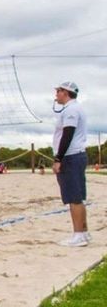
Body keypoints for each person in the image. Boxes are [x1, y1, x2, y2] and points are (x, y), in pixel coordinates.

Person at [52, 81, 90, 247]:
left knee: (74, 198)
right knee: (78, 198)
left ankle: (79, 235)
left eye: (58, 91)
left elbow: (68, 134)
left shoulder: (71, 110)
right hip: (75, 155)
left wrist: (58, 159)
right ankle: (84, 232)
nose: (56, 94)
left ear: (65, 93)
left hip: (71, 156)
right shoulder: (74, 108)